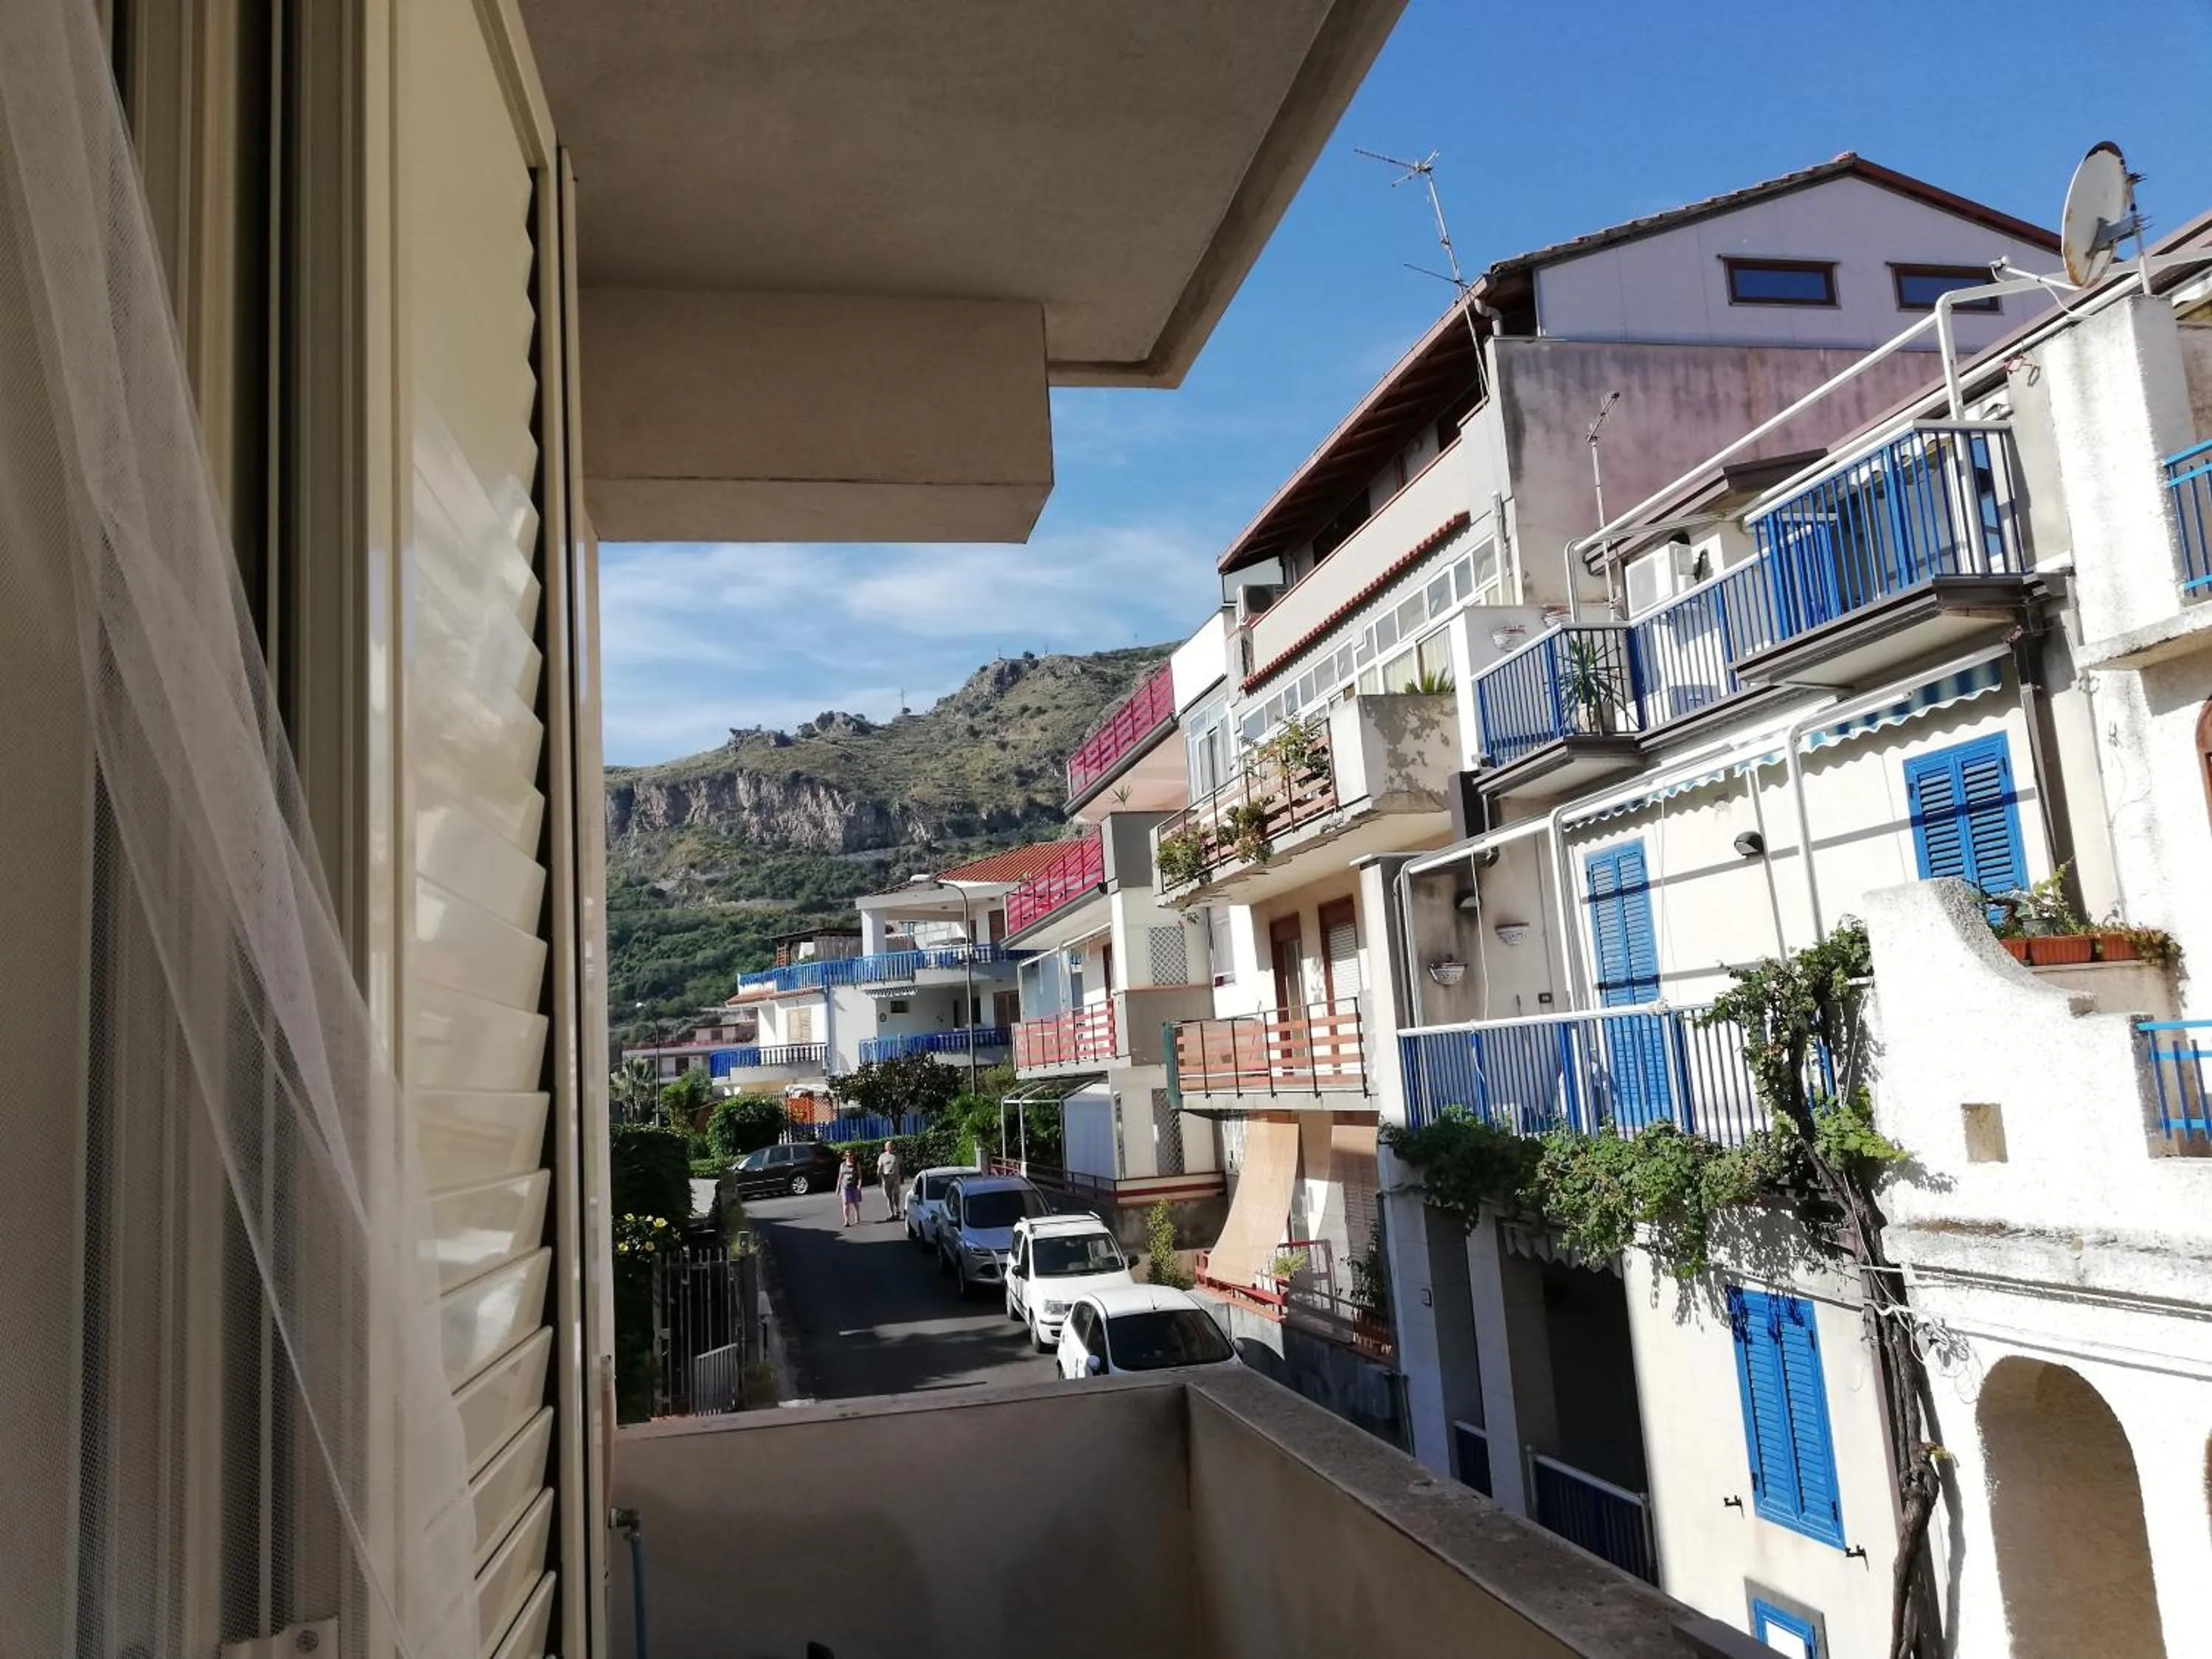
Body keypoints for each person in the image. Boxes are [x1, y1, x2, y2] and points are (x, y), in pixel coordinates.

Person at [877, 1141, 903, 1222]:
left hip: (896, 1178)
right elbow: (880, 1167)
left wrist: (902, 1177)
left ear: (894, 1146)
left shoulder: (898, 1155)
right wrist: (879, 1178)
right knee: (889, 1197)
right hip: (886, 1178)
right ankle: (891, 1214)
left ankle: (898, 1210)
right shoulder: (882, 1156)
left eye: (891, 1146)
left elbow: (902, 1166)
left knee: (896, 1195)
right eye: (888, 1146)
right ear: (885, 1148)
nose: (890, 1147)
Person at [838, 1151, 862, 1228]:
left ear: (853, 1156)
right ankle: (847, 1220)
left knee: (855, 1202)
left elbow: (860, 1176)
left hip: (854, 1186)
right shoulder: (843, 1165)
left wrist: (859, 1185)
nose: (849, 1157)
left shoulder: (856, 1164)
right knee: (845, 1203)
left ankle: (857, 1214)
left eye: (851, 1155)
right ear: (845, 1156)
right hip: (845, 1186)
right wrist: (838, 1187)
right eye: (847, 1156)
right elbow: (840, 1177)